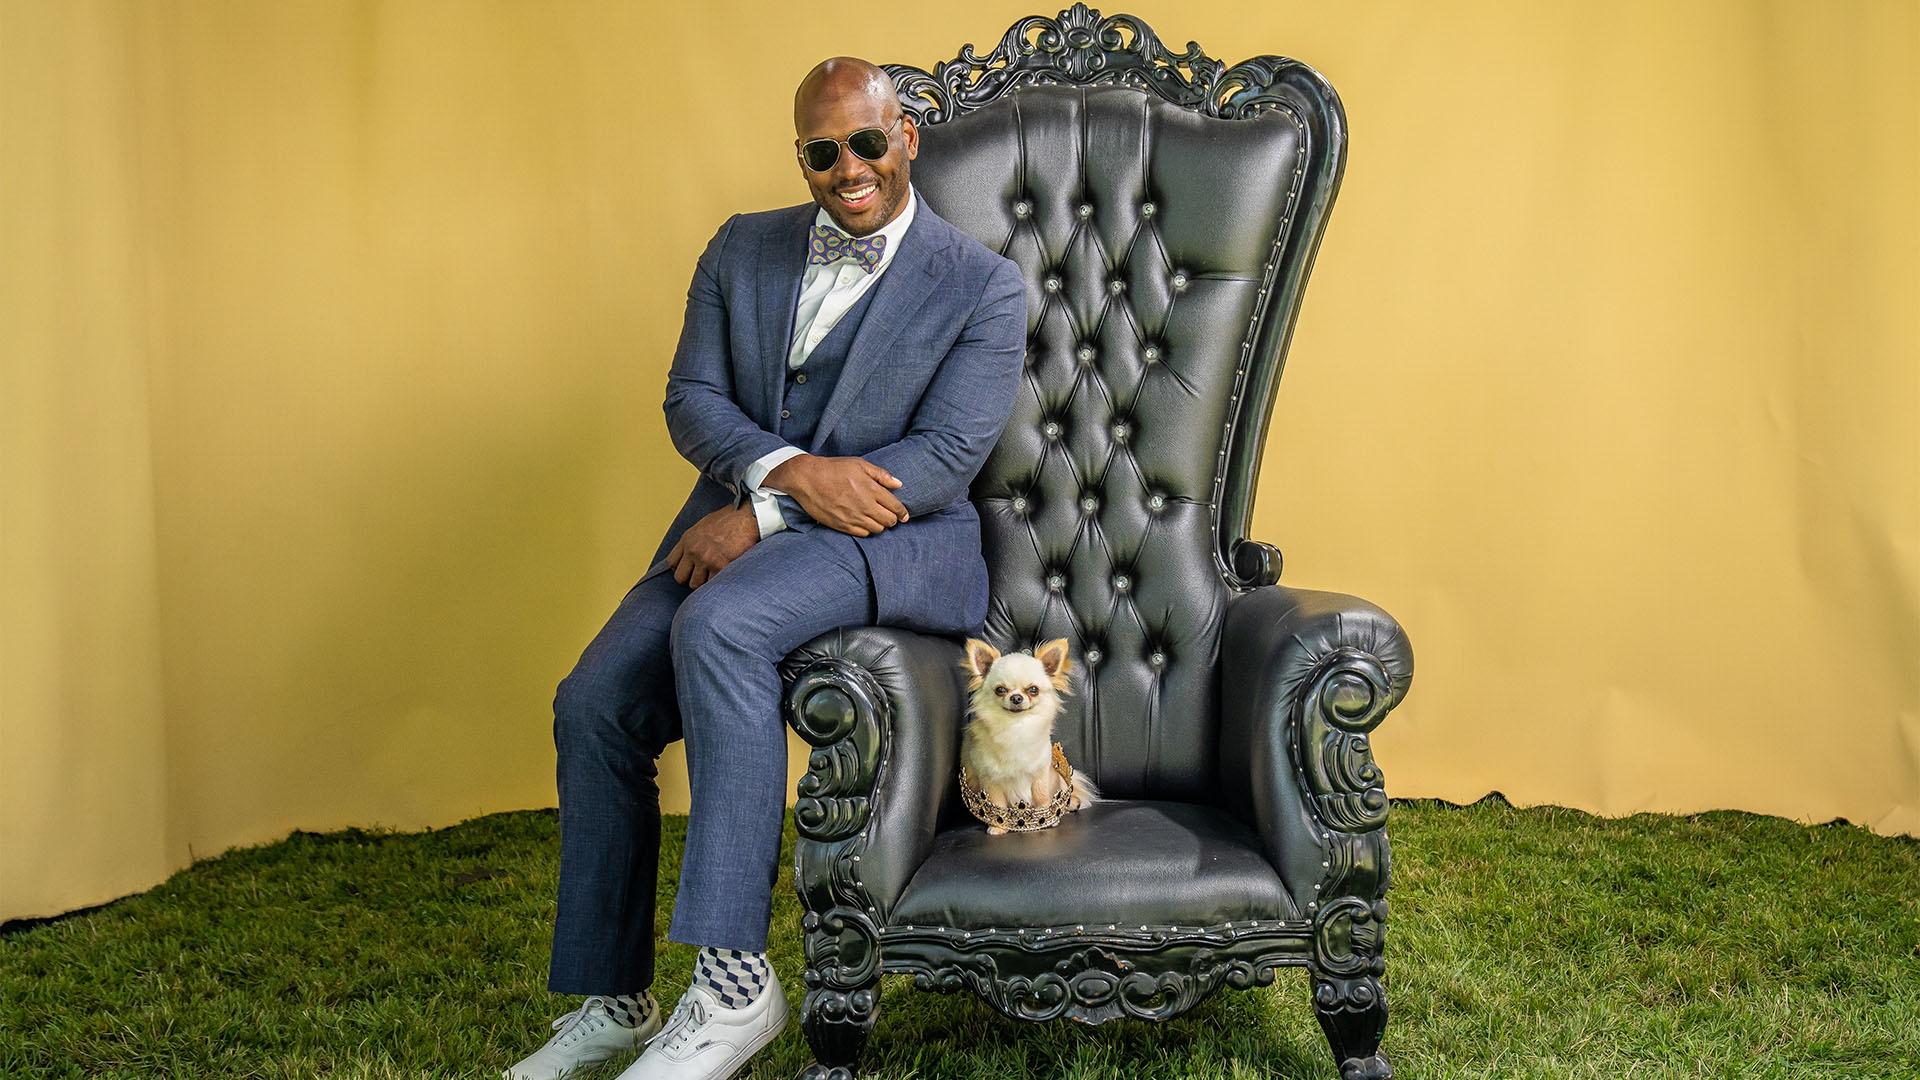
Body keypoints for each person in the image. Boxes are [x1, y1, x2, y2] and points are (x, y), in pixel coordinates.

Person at [506, 55, 1027, 1080]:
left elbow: (946, 458)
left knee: (720, 627)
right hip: (751, 515)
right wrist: (784, 480)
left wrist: (766, 515)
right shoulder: (740, 251)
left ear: (906, 137)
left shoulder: (982, 285)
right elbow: (691, 399)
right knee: (594, 700)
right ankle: (616, 1000)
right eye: (823, 152)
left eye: (869, 142)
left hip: (896, 539)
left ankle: (737, 987)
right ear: (803, 155)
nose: (850, 168)